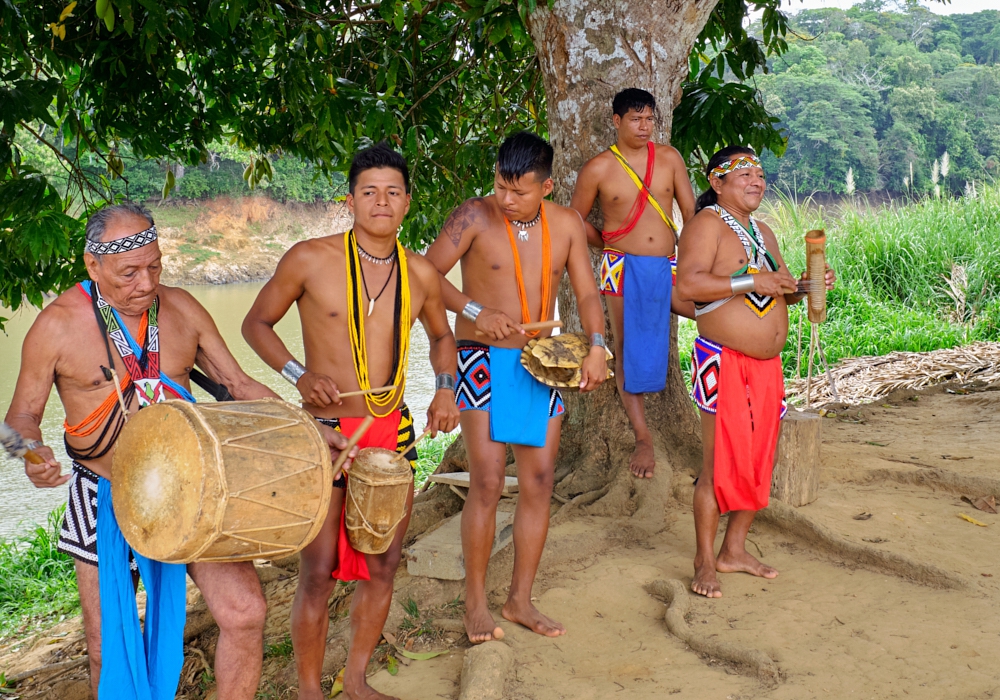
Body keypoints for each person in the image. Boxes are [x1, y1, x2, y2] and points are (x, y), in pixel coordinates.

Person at [2, 202, 349, 699]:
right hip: (106, 493)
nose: (145, 283)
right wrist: (31, 455)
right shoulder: (56, 326)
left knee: (245, 613)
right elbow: (16, 420)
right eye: (128, 272)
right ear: (92, 265)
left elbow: (237, 385)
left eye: (154, 266)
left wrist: (309, 428)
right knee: (105, 646)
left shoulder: (183, 309)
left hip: (198, 489)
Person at [242, 142, 460, 700]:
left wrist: (443, 390)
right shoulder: (310, 258)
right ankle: (310, 691)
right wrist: (296, 373)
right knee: (316, 572)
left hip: (392, 433)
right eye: (369, 192)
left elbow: (442, 336)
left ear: (408, 202)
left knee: (385, 566)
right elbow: (257, 324)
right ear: (351, 200)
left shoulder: (420, 272)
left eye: (392, 192)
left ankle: (356, 679)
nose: (381, 202)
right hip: (326, 433)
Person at [424, 131, 608, 644]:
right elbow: (424, 272)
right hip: (479, 356)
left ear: (546, 187)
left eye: (520, 191)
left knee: (540, 481)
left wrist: (597, 346)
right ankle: (475, 604)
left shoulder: (567, 224)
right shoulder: (473, 216)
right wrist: (475, 310)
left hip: (539, 361)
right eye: (501, 186)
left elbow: (588, 293)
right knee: (485, 481)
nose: (506, 199)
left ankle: (520, 599)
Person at [674, 146, 836, 598]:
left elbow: (780, 291)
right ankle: (704, 559)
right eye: (742, 172)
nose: (755, 180)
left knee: (759, 459)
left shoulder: (762, 232)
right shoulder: (705, 226)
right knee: (716, 465)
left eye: (760, 173)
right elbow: (687, 285)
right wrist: (751, 280)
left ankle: (735, 550)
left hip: (766, 367)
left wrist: (806, 286)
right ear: (716, 182)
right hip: (722, 361)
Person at [570, 87, 697, 479]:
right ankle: (643, 436)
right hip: (619, 266)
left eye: (649, 119)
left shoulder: (670, 159)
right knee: (623, 346)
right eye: (635, 119)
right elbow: (572, 222)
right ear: (616, 121)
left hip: (669, 264)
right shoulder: (598, 169)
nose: (644, 126)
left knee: (707, 314)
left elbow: (692, 215)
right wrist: (608, 241)